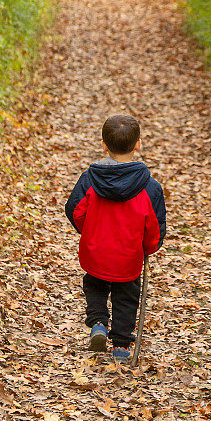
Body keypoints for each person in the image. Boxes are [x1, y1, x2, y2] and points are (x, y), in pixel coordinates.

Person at [65, 115, 166, 361]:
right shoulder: (150, 187)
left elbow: (74, 209)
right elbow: (155, 225)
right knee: (127, 295)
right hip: (128, 256)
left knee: (95, 284)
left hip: (96, 250)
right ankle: (121, 345)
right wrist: (149, 247)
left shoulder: (90, 179)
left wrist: (89, 231)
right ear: (138, 144)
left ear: (103, 145)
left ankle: (98, 323)